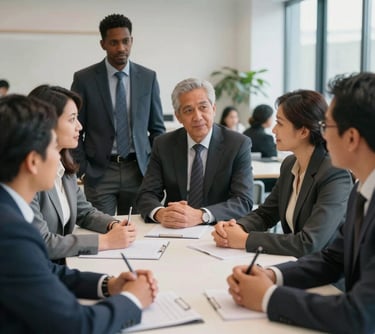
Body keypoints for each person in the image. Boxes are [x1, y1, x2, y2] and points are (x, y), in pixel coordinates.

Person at [227, 72, 375, 333]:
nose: (323, 134)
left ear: (351, 138)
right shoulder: (361, 190)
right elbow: (332, 259)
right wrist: (273, 275)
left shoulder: (341, 178)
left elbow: (360, 314)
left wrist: (268, 296)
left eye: (327, 126)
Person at [0, 94, 158, 333]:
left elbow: (44, 270)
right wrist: (133, 300)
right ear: (33, 162)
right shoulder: (10, 231)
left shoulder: (10, 210)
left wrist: (109, 285)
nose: (58, 157)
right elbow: (77, 325)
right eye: (53, 146)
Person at [213, 90, 352, 257]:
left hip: (327, 277)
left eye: (280, 123)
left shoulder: (334, 173)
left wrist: (245, 239)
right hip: (295, 265)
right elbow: (266, 214)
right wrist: (236, 227)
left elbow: (309, 243)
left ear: (303, 131)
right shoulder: (289, 165)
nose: (273, 130)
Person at [28, 85, 136, 263]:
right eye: (72, 119)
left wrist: (113, 225)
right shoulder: (27, 176)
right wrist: (106, 241)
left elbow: (84, 212)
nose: (80, 126)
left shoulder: (64, 166)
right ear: (47, 123)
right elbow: (42, 242)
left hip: (62, 266)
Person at [71, 13, 165, 215]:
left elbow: (157, 129)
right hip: (99, 172)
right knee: (101, 234)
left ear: (132, 41)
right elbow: (75, 129)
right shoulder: (84, 79)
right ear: (103, 44)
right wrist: (84, 170)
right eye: (114, 42)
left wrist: (152, 169)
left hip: (139, 171)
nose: (121, 48)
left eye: (125, 41)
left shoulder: (148, 77)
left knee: (138, 234)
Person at [136, 78, 253, 228]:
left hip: (219, 227)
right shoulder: (164, 144)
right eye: (188, 110)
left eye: (203, 107)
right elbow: (146, 194)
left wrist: (201, 215)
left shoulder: (237, 144)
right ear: (178, 117)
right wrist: (161, 213)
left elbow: (243, 201)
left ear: (213, 108)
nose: (197, 117)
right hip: (175, 229)